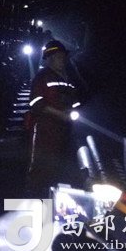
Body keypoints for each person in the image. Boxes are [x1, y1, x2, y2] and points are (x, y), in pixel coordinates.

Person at [26, 40, 81, 197]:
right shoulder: (42, 77)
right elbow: (35, 102)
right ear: (49, 59)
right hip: (45, 129)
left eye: (63, 57)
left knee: (59, 167)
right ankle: (35, 198)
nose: (62, 60)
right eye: (58, 57)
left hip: (64, 130)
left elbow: (75, 101)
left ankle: (53, 199)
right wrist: (60, 114)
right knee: (41, 165)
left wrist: (74, 111)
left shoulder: (67, 79)